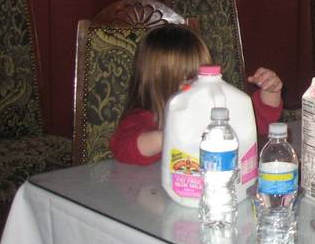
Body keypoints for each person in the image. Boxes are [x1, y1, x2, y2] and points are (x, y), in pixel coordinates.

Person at [110, 24, 284, 165]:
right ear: (159, 82)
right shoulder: (143, 118)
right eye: (190, 80)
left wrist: (270, 91)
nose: (200, 85)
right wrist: (174, 134)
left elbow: (256, 123)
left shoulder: (212, 107)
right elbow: (122, 147)